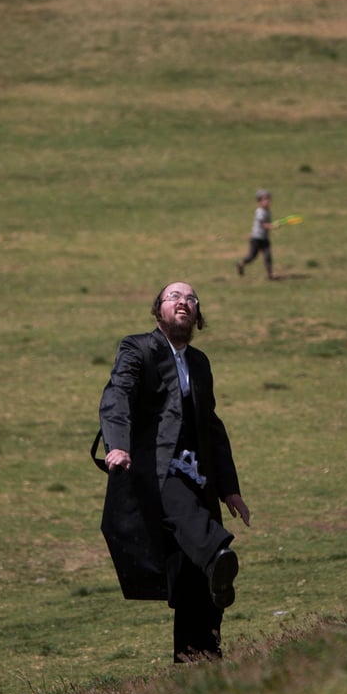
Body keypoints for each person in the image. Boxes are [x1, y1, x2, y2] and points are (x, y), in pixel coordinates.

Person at [98, 282, 251, 662]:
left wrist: (229, 488)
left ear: (197, 315)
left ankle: (198, 663)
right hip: (154, 469)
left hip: (199, 474)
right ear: (158, 310)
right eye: (174, 297)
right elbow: (117, 394)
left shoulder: (200, 363)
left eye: (191, 298)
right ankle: (218, 549)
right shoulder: (138, 349)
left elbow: (211, 425)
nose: (184, 302)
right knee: (200, 535)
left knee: (195, 578)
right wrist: (117, 444)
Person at [236, 189, 274, 279]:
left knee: (267, 256)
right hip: (256, 238)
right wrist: (270, 226)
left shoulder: (268, 211)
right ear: (259, 201)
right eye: (265, 199)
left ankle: (270, 275)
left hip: (265, 238)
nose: (267, 201)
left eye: (268, 199)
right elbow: (263, 224)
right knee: (252, 256)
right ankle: (241, 264)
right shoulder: (260, 212)